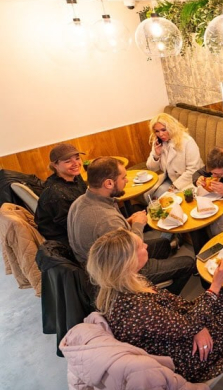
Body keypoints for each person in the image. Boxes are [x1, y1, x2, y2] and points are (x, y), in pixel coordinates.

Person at [86, 228, 223, 383]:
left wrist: (197, 326)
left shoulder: (128, 282)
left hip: (180, 330)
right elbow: (185, 326)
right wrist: (214, 287)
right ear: (129, 262)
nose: (145, 245)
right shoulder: (135, 308)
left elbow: (174, 310)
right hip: (184, 356)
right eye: (140, 246)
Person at [67, 157, 196, 295]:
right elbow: (131, 253)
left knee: (164, 244)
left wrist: (127, 222)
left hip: (100, 262)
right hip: (118, 274)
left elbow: (110, 234)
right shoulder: (107, 220)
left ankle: (160, 274)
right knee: (188, 263)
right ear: (109, 183)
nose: (127, 180)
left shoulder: (79, 202)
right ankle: (160, 299)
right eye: (123, 178)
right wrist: (138, 225)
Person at [35, 143, 87, 246]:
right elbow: (72, 227)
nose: (75, 163)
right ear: (55, 165)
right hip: (66, 242)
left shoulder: (75, 176)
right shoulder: (55, 193)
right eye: (68, 161)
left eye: (77, 158)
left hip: (80, 224)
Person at [146, 113, 203, 197]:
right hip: (170, 178)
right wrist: (156, 154)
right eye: (157, 131)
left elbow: (193, 170)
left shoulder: (187, 141)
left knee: (164, 198)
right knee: (152, 196)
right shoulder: (158, 142)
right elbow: (152, 168)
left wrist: (174, 187)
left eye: (163, 129)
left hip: (187, 180)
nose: (160, 134)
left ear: (171, 128)